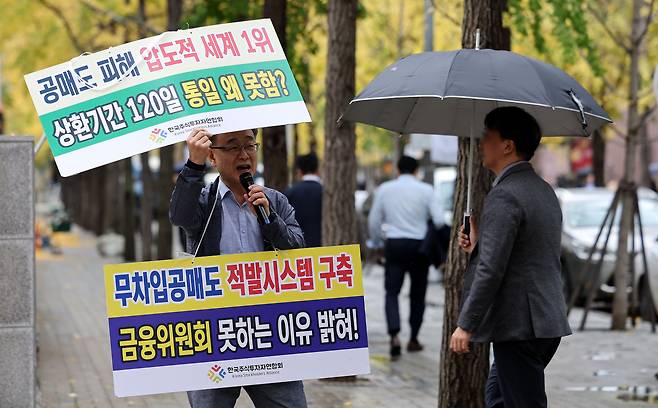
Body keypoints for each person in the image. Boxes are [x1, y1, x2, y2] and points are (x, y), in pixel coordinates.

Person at [169, 128, 308, 408]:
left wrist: (269, 219)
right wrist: (192, 164)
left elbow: (298, 249)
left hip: (269, 328)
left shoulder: (275, 201)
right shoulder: (203, 200)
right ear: (212, 156)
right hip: (214, 331)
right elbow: (179, 215)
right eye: (232, 147)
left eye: (250, 146)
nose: (244, 155)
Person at [451, 106, 572, 408]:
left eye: (488, 137)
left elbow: (491, 269)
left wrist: (466, 323)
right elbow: (526, 251)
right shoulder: (542, 190)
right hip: (543, 320)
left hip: (520, 324)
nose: (481, 144)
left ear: (508, 145)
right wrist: (480, 244)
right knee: (498, 397)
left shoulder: (505, 194)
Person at [368, 155, 444, 358]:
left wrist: (377, 243)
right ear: (417, 170)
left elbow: (374, 220)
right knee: (418, 295)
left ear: (398, 170)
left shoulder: (385, 189)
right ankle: (414, 338)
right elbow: (438, 220)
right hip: (420, 247)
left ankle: (394, 335)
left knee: (391, 292)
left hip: (395, 244)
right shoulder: (427, 190)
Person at [284, 153, 323, 247]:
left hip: (298, 251)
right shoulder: (327, 193)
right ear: (318, 170)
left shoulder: (289, 193)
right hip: (325, 250)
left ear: (299, 171)